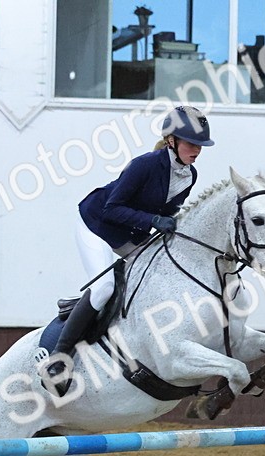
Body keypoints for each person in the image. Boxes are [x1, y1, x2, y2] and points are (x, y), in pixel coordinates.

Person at [44, 105, 215, 395]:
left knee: (159, 278)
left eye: (200, 145)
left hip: (128, 231)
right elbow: (113, 209)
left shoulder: (189, 175)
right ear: (172, 140)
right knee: (103, 288)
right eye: (191, 143)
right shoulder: (145, 164)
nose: (196, 150)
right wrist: (153, 221)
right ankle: (58, 362)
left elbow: (169, 211)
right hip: (96, 225)